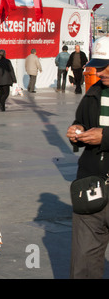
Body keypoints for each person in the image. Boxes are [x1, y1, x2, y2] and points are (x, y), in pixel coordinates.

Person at [66, 36, 109, 278]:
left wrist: (105, 137)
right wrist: (76, 132)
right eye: (97, 64)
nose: (99, 71)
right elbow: (81, 121)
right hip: (92, 185)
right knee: (83, 261)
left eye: (105, 65)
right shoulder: (93, 92)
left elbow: (103, 135)